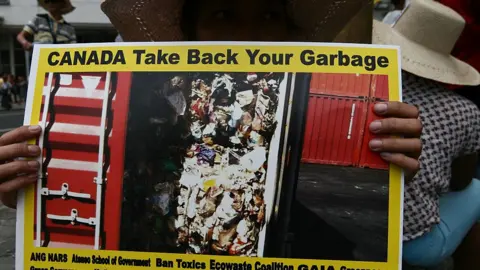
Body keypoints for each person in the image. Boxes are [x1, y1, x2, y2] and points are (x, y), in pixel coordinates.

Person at [0, 0, 422, 215]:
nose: (248, 34)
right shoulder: (139, 106)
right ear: (189, 30)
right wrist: (29, 188)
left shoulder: (322, 107)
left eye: (269, 15)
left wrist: (386, 153)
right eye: (222, 12)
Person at [373, 0, 480, 269]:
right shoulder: (465, 111)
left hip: (355, 227)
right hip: (414, 244)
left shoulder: (367, 88)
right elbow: (460, 182)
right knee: (478, 188)